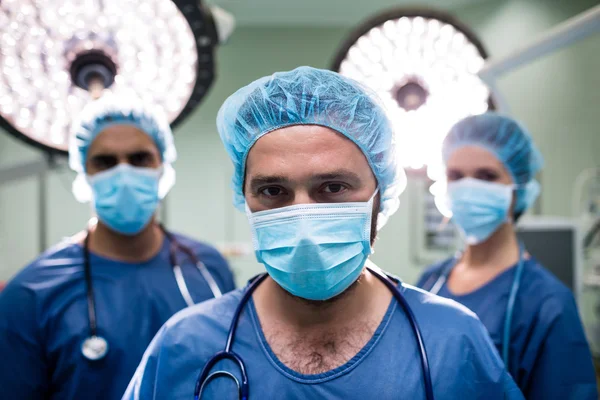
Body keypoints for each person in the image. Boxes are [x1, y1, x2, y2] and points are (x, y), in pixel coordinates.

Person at [123, 67, 524, 400]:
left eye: (332, 188)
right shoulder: (185, 345)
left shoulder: (451, 341)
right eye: (273, 191)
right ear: (244, 198)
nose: (302, 216)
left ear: (379, 195)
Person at [0, 93, 236, 399]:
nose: (123, 173)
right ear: (85, 172)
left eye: (139, 159)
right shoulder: (32, 293)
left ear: (162, 165)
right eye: (105, 162)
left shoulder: (207, 268)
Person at [417, 113, 597, 399]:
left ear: (519, 188)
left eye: (486, 176)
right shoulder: (430, 282)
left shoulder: (547, 304)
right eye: (455, 176)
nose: (468, 187)